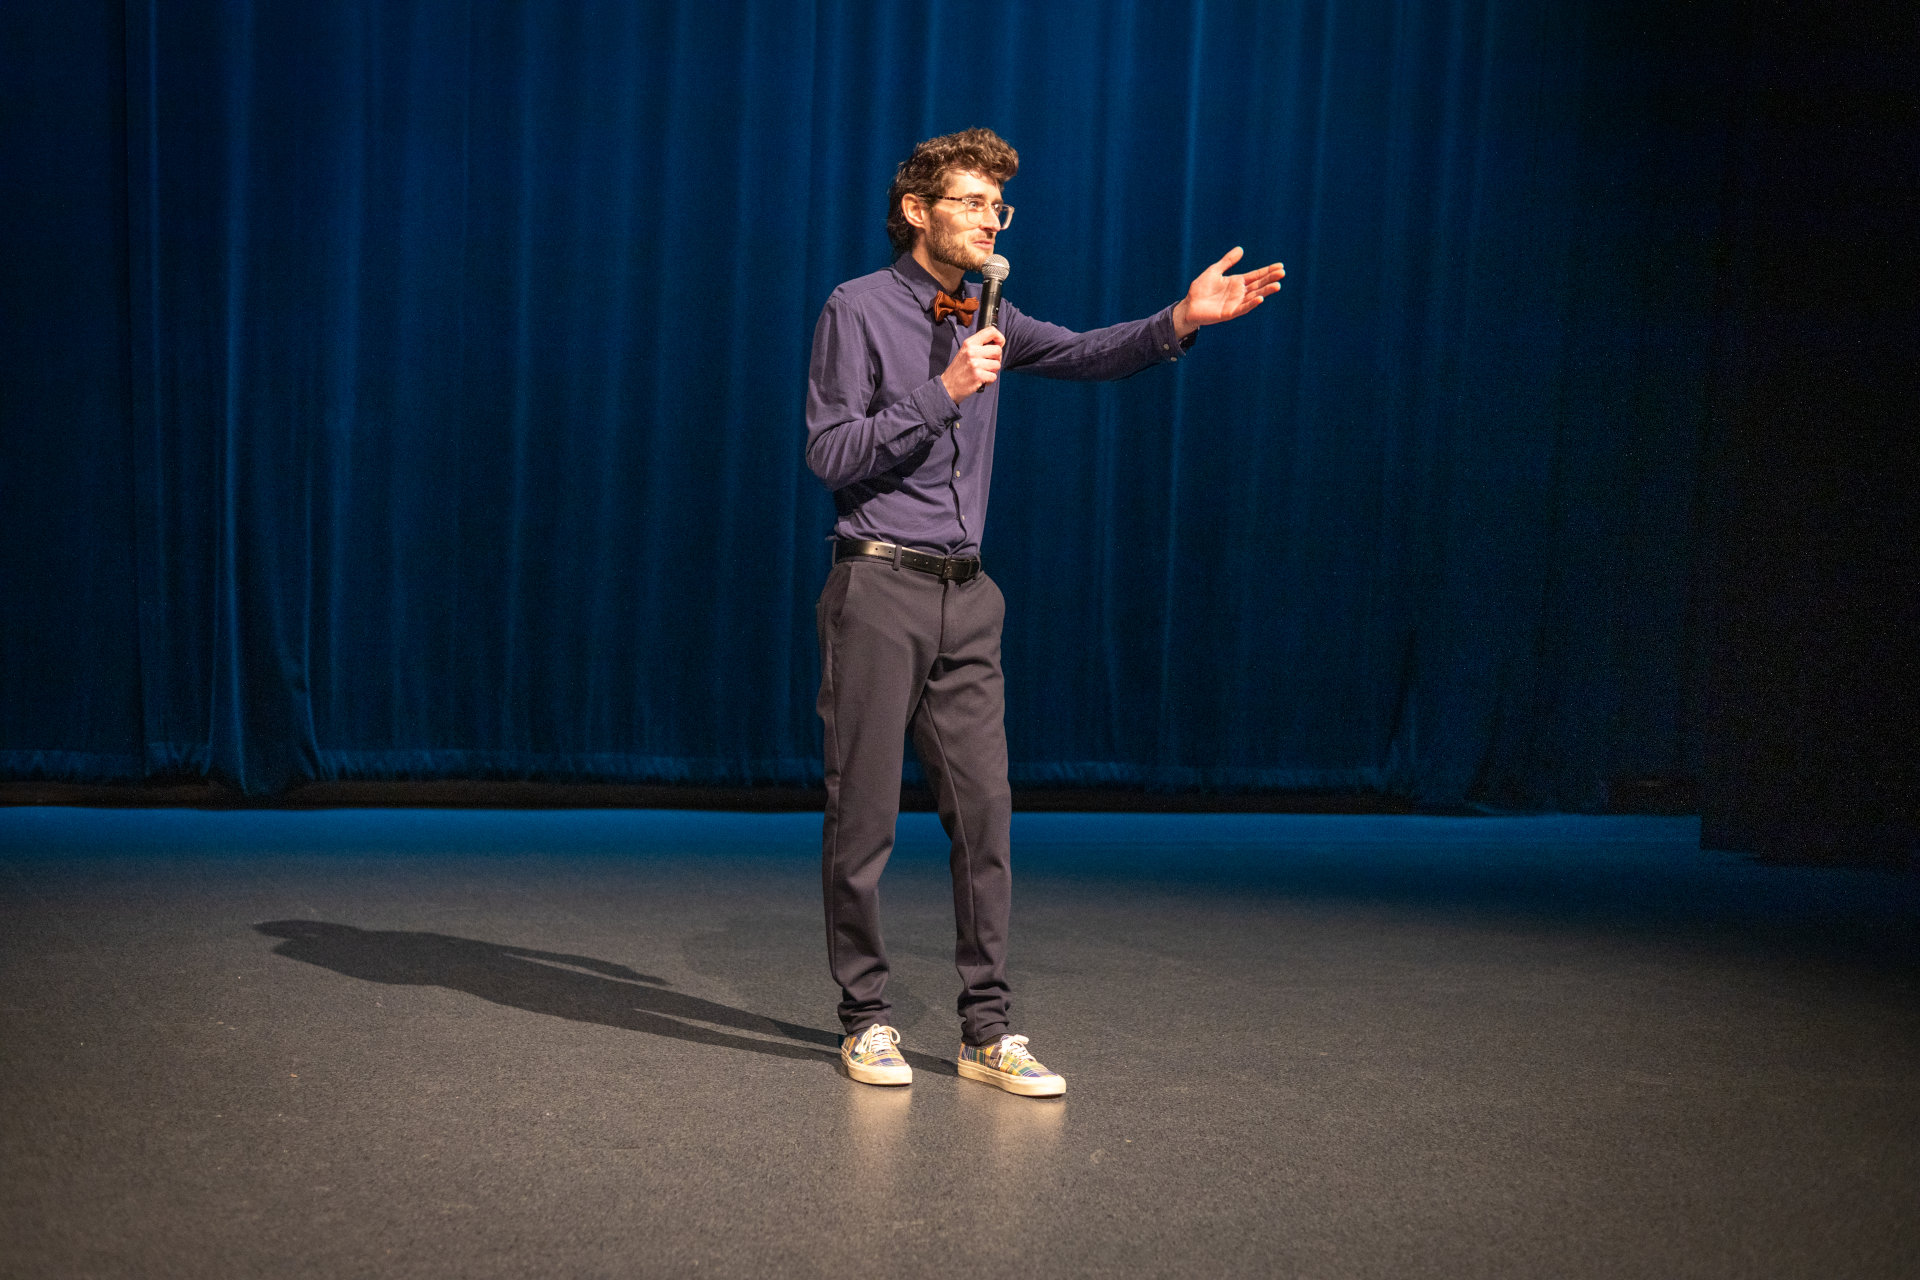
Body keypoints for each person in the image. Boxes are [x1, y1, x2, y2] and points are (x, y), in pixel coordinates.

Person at [805, 127, 1283, 1096]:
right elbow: (830, 453)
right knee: (863, 819)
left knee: (987, 818)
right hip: (879, 587)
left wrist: (1179, 319)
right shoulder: (855, 308)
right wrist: (942, 391)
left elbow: (1087, 353)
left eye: (998, 207)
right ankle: (866, 1018)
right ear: (917, 211)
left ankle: (987, 1030)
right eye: (973, 202)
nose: (991, 220)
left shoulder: (992, 311)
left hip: (968, 596)